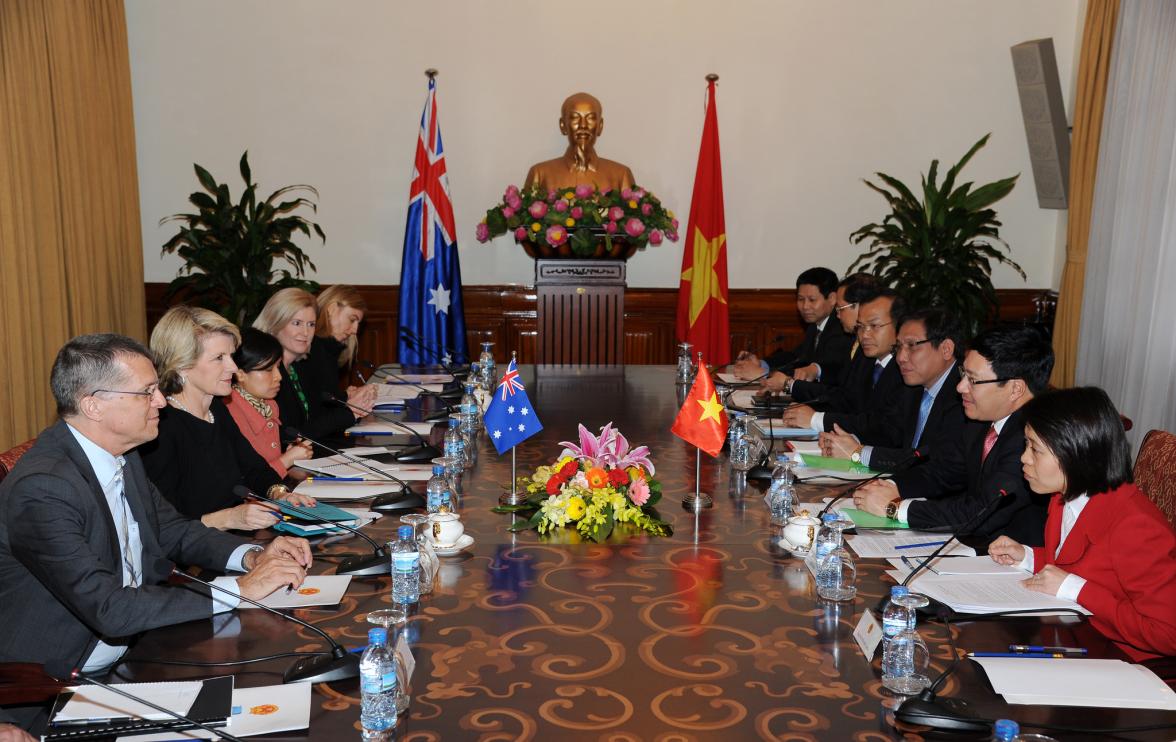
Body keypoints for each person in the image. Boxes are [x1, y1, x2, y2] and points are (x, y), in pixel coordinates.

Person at [0, 334, 309, 731]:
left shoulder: (121, 454)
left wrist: (251, 557)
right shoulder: (43, 488)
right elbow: (109, 609)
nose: (161, 402)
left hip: (136, 649)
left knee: (277, 684)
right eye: (147, 393)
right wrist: (242, 589)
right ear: (93, 404)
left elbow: (171, 529)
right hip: (51, 687)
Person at [988, 387, 1176, 660]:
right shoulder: (1063, 497)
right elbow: (1091, 568)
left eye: (1035, 449)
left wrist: (1077, 590)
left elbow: (1167, 633)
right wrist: (1030, 557)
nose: (1024, 458)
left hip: (1124, 663)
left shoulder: (1136, 526)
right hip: (1074, 638)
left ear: (1074, 452)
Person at [854, 325, 1054, 548]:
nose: (960, 387)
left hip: (1009, 563)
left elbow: (981, 512)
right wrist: (890, 487)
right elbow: (942, 472)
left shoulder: (1036, 439)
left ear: (1015, 389)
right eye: (962, 374)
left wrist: (895, 508)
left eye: (973, 380)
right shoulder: (981, 420)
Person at [140, 306, 315, 529]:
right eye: (219, 358)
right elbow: (163, 525)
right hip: (195, 556)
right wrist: (229, 518)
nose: (232, 367)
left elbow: (254, 469)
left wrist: (281, 494)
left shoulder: (217, 409)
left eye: (231, 356)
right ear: (182, 365)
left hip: (233, 541)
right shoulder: (161, 427)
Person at [820, 307, 970, 470]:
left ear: (946, 349)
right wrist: (845, 441)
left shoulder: (964, 395)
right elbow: (890, 433)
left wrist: (858, 453)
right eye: (898, 347)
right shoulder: (914, 387)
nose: (900, 358)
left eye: (912, 346)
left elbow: (936, 463)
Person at [782, 289, 907, 445]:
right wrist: (806, 410)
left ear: (901, 326)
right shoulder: (867, 359)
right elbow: (847, 401)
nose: (865, 335)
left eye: (874, 326)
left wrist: (816, 419)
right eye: (860, 327)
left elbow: (883, 427)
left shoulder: (906, 368)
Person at [253, 288, 375, 444]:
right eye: (297, 323)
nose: (306, 332)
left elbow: (317, 417)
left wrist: (347, 401)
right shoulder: (264, 374)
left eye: (311, 324)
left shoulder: (297, 368)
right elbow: (288, 437)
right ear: (275, 323)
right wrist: (349, 411)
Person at [733, 267, 853, 384]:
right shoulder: (815, 324)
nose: (805, 306)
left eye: (812, 300)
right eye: (801, 299)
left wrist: (763, 373)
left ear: (832, 299)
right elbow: (796, 357)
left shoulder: (841, 328)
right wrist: (762, 363)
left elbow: (821, 372)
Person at [764, 272, 879, 394]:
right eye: (801, 299)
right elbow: (799, 359)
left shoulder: (856, 339)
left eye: (840, 308)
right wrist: (766, 368)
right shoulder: (814, 327)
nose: (805, 306)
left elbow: (844, 392)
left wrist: (788, 384)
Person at [224, 327, 314, 477]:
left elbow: (270, 464)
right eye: (268, 370)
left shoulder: (269, 404)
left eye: (278, 367)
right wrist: (287, 459)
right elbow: (248, 478)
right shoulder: (230, 411)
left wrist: (293, 460)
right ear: (240, 374)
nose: (278, 376)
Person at [523, 92, 636, 193]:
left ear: (600, 126)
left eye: (590, 118)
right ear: (563, 125)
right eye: (574, 117)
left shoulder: (621, 175)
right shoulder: (540, 174)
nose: (583, 125)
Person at [315, 284, 368, 372]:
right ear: (332, 309)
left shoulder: (330, 349)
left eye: (358, 323)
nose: (355, 330)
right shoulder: (307, 350)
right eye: (352, 320)